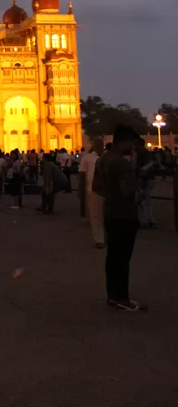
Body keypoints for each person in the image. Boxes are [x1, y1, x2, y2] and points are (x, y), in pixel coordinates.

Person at [93, 125, 146, 311]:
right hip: (124, 214)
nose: (132, 146)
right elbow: (127, 191)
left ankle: (112, 295)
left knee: (113, 257)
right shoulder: (121, 163)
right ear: (123, 141)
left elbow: (96, 187)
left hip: (110, 211)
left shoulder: (102, 160)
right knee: (123, 258)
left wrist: (111, 194)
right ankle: (122, 297)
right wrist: (135, 180)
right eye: (131, 142)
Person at [78, 138, 105, 248]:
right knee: (95, 216)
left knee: (103, 215)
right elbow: (81, 174)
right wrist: (80, 189)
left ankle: (103, 237)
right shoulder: (88, 158)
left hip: (105, 190)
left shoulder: (105, 158)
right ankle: (99, 239)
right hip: (92, 189)